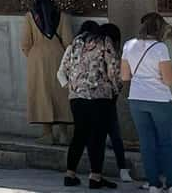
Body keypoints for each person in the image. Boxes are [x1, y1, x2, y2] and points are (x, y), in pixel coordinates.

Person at [58, 20, 121, 189]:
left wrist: (73, 88)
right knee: (97, 137)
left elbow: (63, 69)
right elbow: (113, 69)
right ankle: (95, 177)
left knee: (79, 135)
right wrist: (117, 89)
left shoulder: (75, 43)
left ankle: (70, 174)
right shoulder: (105, 42)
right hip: (99, 96)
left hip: (77, 97)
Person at [122, 13, 172, 193]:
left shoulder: (128, 45)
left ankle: (153, 184)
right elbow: (168, 80)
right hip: (159, 99)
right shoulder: (160, 48)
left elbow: (124, 76)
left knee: (146, 142)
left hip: (136, 98)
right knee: (167, 141)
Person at [22, 0, 73, 145]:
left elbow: (25, 44)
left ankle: (47, 134)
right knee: (61, 93)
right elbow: (69, 41)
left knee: (42, 93)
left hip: (37, 59)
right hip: (59, 56)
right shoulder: (62, 16)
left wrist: (34, 56)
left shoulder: (30, 17)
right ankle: (64, 134)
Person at [98, 24, 132, 183]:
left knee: (97, 136)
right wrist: (117, 89)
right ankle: (123, 169)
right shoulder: (109, 48)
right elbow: (115, 73)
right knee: (115, 134)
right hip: (108, 97)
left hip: (89, 98)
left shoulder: (88, 47)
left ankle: (96, 171)